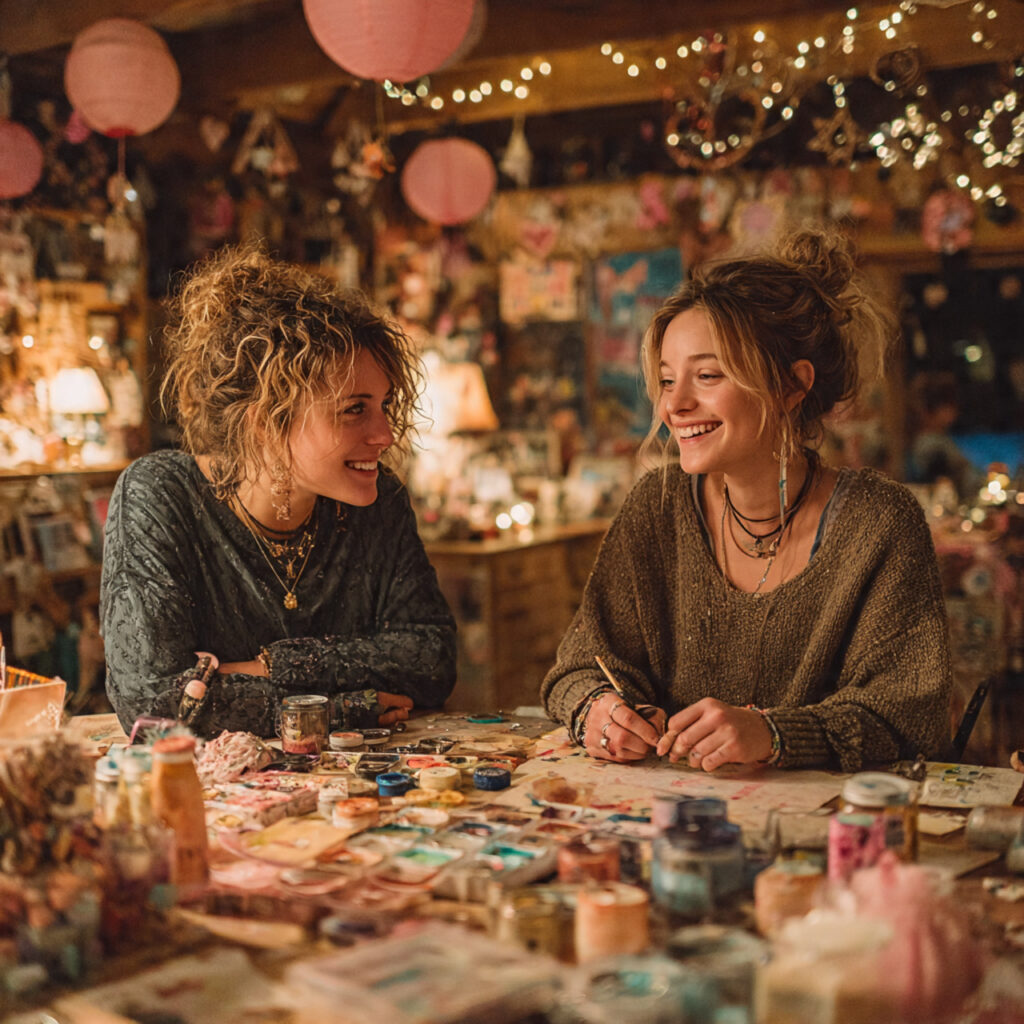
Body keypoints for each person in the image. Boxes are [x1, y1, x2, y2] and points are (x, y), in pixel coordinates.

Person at [541, 230, 952, 773]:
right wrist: (598, 710)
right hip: (663, 825)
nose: (676, 405)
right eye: (667, 380)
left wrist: (776, 735)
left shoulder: (878, 523)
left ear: (791, 387)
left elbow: (910, 719)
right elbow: (579, 666)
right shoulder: (657, 506)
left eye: (708, 376)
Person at [101, 244, 456, 738]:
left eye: (385, 405)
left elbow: (431, 660)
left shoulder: (382, 502)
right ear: (266, 421)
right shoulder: (160, 496)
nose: (385, 434)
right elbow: (154, 704)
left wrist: (270, 667)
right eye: (355, 408)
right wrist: (344, 709)